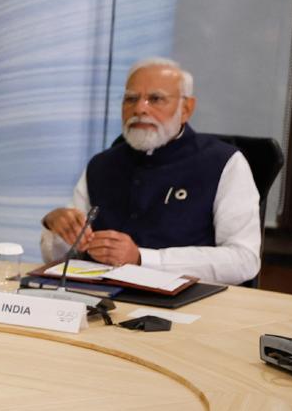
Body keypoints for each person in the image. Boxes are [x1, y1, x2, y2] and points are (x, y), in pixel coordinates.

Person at [40, 57, 261, 285]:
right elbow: (63, 257)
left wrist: (142, 259)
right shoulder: (102, 164)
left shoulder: (223, 162)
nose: (139, 109)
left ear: (186, 108)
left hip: (191, 305)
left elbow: (244, 259)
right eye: (131, 99)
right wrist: (56, 227)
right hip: (101, 298)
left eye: (155, 99)